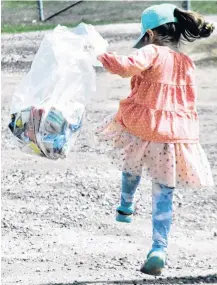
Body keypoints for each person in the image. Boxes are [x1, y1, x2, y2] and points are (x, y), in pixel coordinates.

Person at [96, 3, 215, 276]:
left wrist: (102, 55)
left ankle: (126, 205)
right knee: (164, 192)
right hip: (176, 134)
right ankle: (159, 248)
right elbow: (187, 98)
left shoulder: (152, 52)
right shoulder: (187, 62)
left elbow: (127, 67)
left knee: (132, 162)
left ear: (149, 34)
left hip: (147, 126)